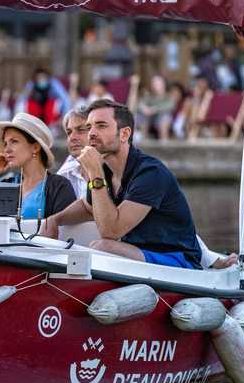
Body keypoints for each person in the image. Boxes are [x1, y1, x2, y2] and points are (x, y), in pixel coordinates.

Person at [46, 99, 202, 269]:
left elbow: (111, 231)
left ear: (124, 134)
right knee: (96, 247)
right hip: (140, 255)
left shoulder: (150, 173)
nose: (91, 133)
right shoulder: (105, 170)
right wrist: (55, 220)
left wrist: (95, 174)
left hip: (177, 260)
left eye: (101, 126)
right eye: (89, 127)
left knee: (102, 247)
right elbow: (87, 207)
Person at [0, 112, 76, 220]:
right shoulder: (7, 185)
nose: (6, 149)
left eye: (14, 141)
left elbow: (64, 231)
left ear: (35, 148)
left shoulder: (59, 186)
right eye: (5, 143)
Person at [56, 107, 88, 198]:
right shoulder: (64, 174)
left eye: (81, 130)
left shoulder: (113, 172)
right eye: (69, 132)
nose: (72, 137)